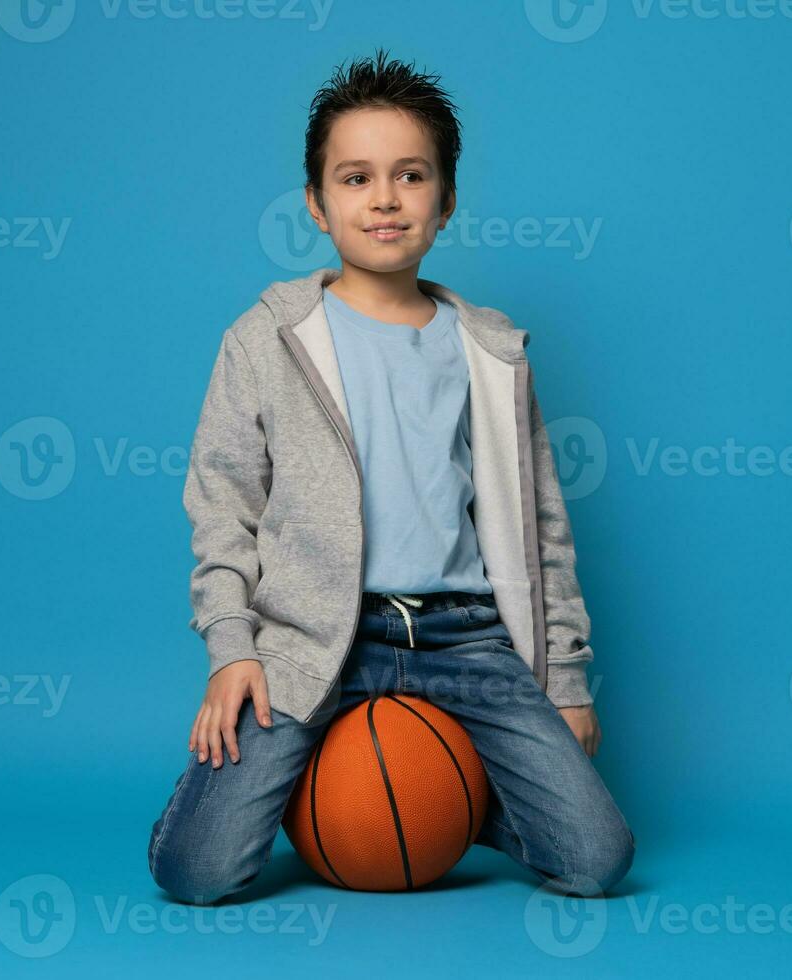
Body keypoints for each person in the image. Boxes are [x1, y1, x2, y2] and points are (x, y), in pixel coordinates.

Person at [147, 49, 634, 905]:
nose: (383, 199)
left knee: (598, 861)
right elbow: (222, 507)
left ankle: (451, 794)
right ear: (315, 202)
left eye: (410, 176)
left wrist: (564, 681)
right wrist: (231, 649)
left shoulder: (489, 350)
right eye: (355, 177)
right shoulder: (266, 339)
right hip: (313, 639)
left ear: (445, 201)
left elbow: (541, 526)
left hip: (467, 639)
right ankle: (302, 792)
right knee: (197, 871)